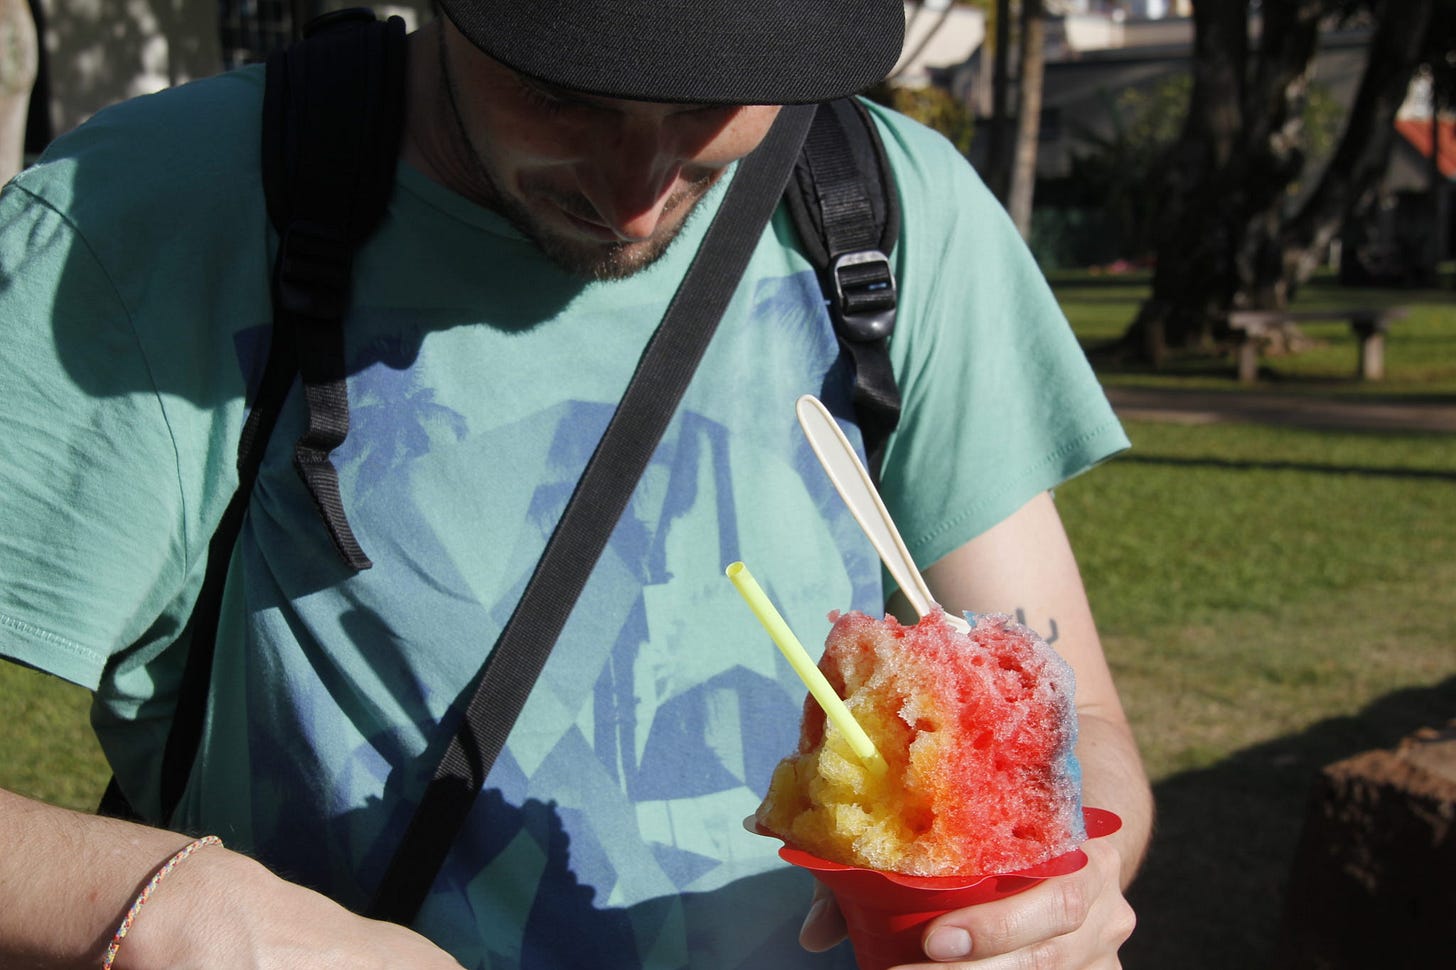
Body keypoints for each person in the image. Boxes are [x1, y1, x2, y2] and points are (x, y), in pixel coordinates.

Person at [0, 0, 1153, 967]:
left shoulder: (887, 208)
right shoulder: (150, 217)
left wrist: (1068, 882)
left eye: (708, 106)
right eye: (562, 95)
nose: (636, 196)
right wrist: (187, 910)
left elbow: (1082, 727)